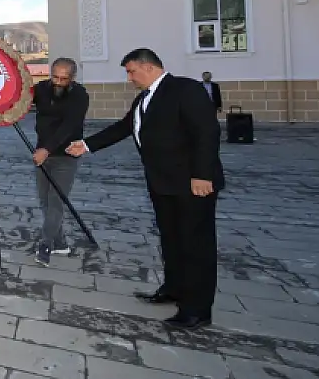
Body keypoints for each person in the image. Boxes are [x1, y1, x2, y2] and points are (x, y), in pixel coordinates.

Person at [67, 48, 223, 331]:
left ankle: (197, 309)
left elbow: (207, 132)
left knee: (196, 245)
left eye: (131, 71)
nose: (129, 78)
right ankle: (174, 289)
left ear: (148, 67)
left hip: (192, 184)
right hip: (162, 183)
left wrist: (202, 174)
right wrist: (86, 145)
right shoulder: (144, 99)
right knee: (172, 239)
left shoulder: (185, 89)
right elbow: (123, 128)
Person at [30, 57, 89, 266]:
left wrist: (47, 149)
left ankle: (45, 245)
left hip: (65, 156)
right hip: (42, 154)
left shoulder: (80, 95)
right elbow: (20, 103)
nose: (57, 82)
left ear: (72, 78)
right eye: (54, 76)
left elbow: (70, 127)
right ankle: (60, 242)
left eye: (63, 79)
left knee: (56, 201)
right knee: (45, 201)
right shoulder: (41, 89)